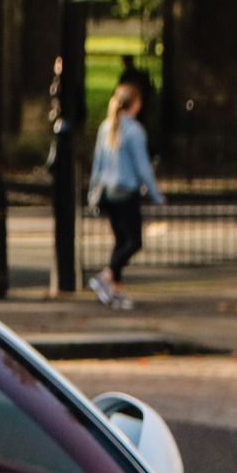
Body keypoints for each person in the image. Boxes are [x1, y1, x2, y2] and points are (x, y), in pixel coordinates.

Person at [87, 81, 162, 311]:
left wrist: (92, 191)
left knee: (121, 241)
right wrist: (156, 194)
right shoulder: (134, 131)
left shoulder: (106, 126)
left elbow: (97, 164)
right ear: (136, 104)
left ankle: (116, 291)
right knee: (134, 242)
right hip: (126, 193)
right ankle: (106, 276)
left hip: (108, 193)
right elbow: (143, 168)